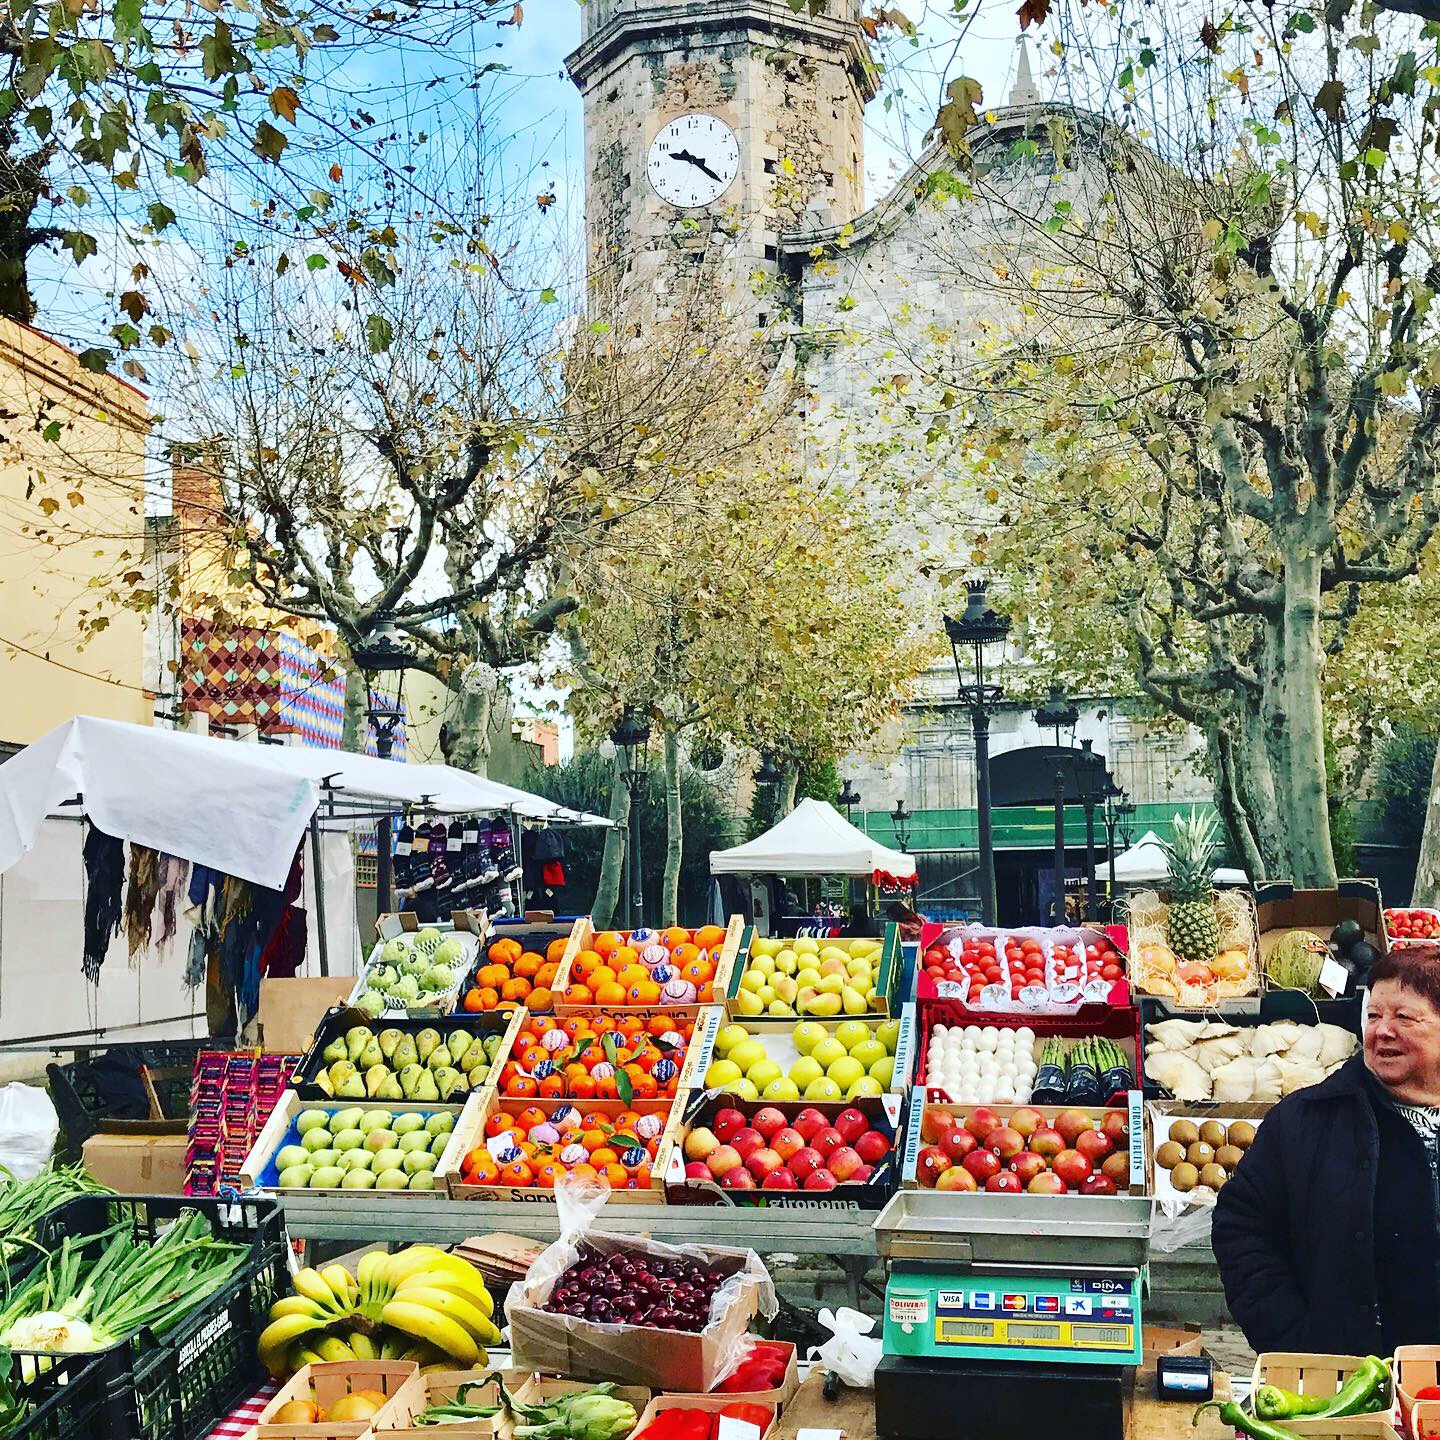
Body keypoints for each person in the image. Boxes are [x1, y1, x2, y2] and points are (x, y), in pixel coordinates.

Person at [1212, 945, 1440, 1354]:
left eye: (1403, 1017)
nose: (1381, 1030)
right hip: (1341, 1387)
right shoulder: (1306, 1119)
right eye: (1373, 1015)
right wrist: (1293, 1339)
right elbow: (1242, 1226)